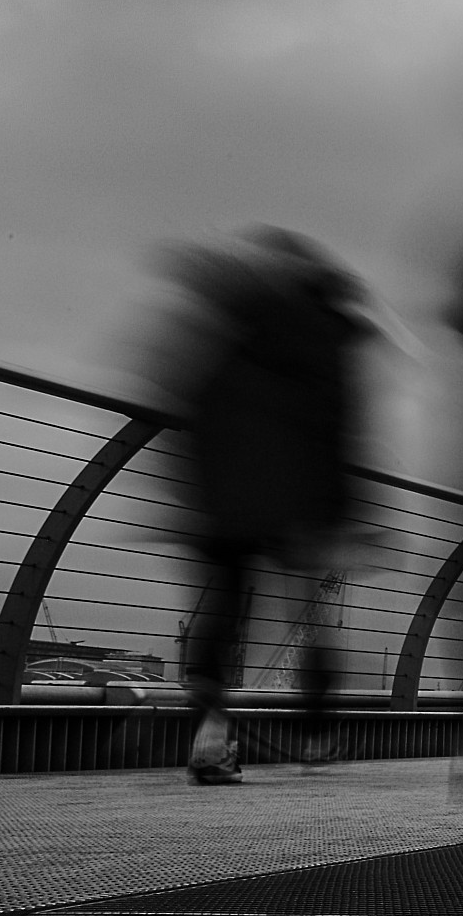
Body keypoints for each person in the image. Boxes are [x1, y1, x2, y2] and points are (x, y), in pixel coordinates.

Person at [152, 228, 377, 785]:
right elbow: (337, 424)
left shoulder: (231, 325)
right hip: (297, 496)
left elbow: (190, 401)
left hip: (224, 493)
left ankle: (210, 734)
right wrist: (344, 506)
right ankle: (318, 735)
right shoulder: (325, 335)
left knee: (222, 611)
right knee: (312, 615)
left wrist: (192, 488)